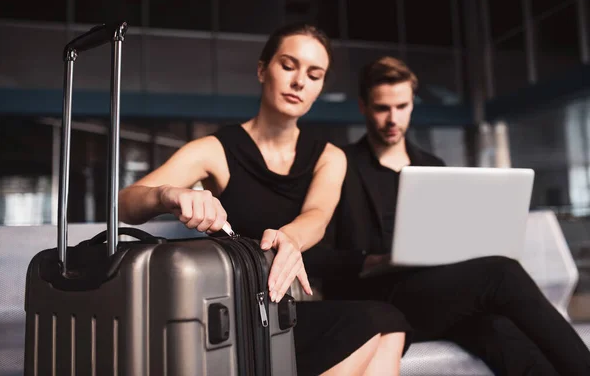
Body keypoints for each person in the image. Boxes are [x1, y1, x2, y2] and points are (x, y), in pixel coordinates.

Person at [118, 25, 411, 376]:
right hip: (240, 310)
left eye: (314, 74)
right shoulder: (215, 150)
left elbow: (317, 214)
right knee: (380, 320)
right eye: (289, 66)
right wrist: (169, 194)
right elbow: (126, 203)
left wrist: (291, 238)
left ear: (319, 87)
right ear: (262, 70)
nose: (300, 81)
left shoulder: (330, 157)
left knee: (389, 323)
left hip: (298, 307)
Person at [310, 55, 590, 375]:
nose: (392, 119)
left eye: (401, 107)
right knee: (502, 273)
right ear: (363, 107)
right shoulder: (339, 164)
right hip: (373, 300)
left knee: (500, 332)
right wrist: (373, 261)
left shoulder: (432, 166)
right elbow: (316, 258)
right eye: (382, 108)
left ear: (412, 104)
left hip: (436, 295)